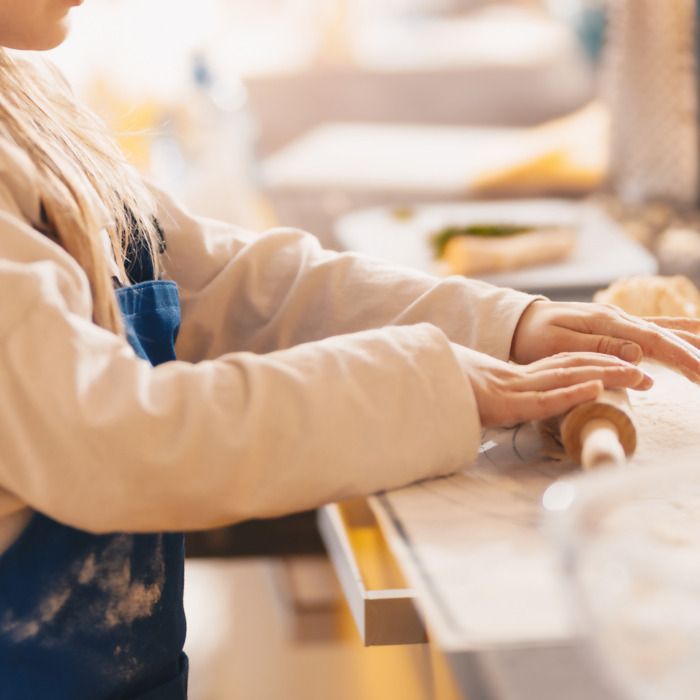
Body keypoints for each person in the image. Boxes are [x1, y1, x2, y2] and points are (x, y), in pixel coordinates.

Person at [0, 1, 698, 698]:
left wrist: (504, 326)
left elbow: (227, 285)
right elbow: (114, 441)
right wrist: (427, 384)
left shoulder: (26, 94)